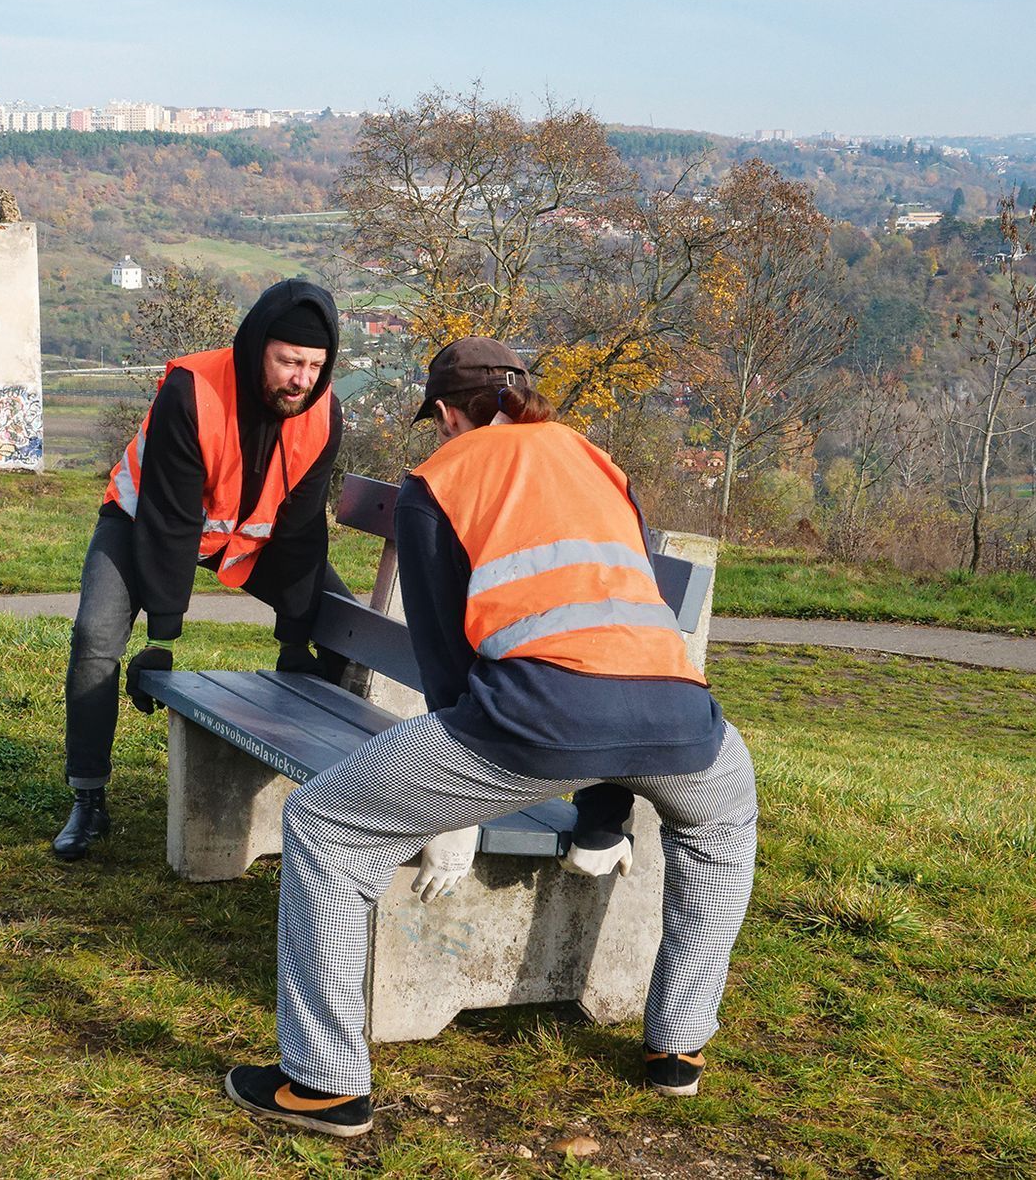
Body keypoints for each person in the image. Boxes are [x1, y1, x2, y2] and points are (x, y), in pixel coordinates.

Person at [225, 337, 759, 1137]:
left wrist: (453, 816)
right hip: (684, 721)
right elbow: (615, 628)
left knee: (325, 824)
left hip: (530, 723)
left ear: (445, 413)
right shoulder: (597, 462)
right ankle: (677, 1048)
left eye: (437, 420)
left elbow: (446, 672)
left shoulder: (438, 480)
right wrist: (603, 817)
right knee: (721, 829)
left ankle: (325, 1081)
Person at [53, 279, 348, 861]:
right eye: (289, 361)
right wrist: (162, 637)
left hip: (243, 540)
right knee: (95, 639)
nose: (301, 380)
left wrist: (296, 634)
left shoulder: (323, 414)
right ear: (257, 345)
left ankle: (336, 805)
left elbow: (300, 532)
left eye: (315, 366)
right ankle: (87, 797)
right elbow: (168, 519)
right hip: (144, 522)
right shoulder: (191, 390)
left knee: (343, 630)